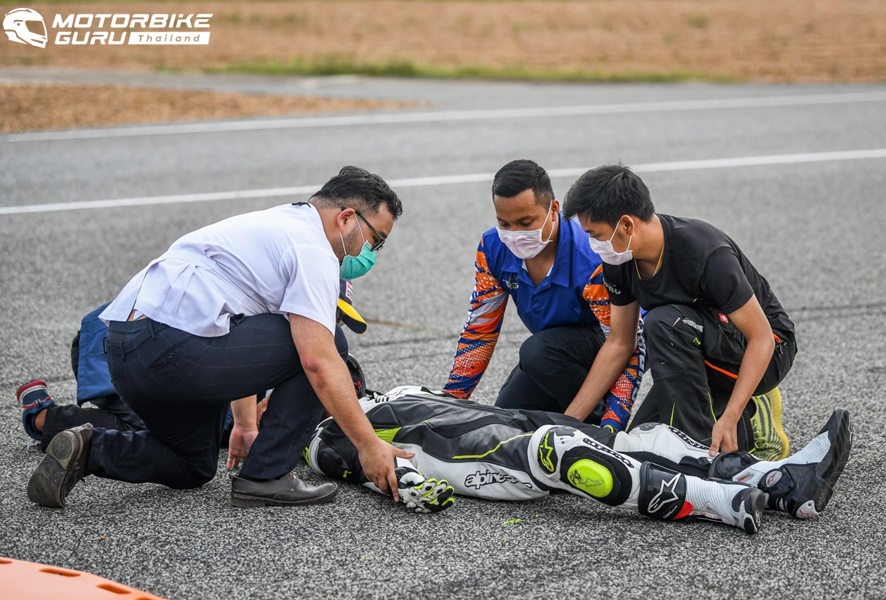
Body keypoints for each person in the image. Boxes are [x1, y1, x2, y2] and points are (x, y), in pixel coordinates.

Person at [26, 166, 413, 509]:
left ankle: (88, 449)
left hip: (126, 351)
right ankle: (267, 477)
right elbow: (317, 361)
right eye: (375, 239)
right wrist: (368, 446)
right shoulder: (313, 249)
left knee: (190, 463)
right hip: (173, 346)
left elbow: (243, 329)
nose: (372, 252)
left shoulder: (275, 224)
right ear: (346, 218)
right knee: (330, 347)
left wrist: (244, 424)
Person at [306, 386, 853, 533]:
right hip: (476, 459)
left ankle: (783, 482)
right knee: (562, 455)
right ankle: (722, 502)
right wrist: (405, 481)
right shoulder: (322, 433)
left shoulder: (386, 391)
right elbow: (369, 467)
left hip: (506, 420)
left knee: (638, 439)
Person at [562, 164, 797, 459]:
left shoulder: (705, 251)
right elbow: (620, 343)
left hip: (767, 348)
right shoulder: (619, 260)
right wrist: (568, 424)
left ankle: (703, 451)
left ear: (627, 225)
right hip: (696, 346)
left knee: (664, 323)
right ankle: (734, 423)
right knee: (641, 445)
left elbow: (761, 337)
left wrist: (731, 415)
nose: (593, 244)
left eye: (595, 234)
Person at [17, 280, 369, 452]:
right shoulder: (271, 314)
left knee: (188, 425)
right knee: (155, 429)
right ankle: (44, 416)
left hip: (131, 337)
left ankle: (55, 420)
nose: (329, 325)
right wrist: (251, 419)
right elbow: (239, 370)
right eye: (329, 314)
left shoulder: (286, 331)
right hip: (115, 342)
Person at [443, 159, 644, 432]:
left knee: (537, 352)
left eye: (526, 222)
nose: (515, 234)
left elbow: (627, 344)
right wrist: (450, 402)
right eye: (504, 223)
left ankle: (591, 422)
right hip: (552, 353)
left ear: (554, 210)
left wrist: (611, 423)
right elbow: (481, 330)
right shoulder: (492, 248)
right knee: (507, 423)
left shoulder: (591, 257)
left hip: (611, 342)